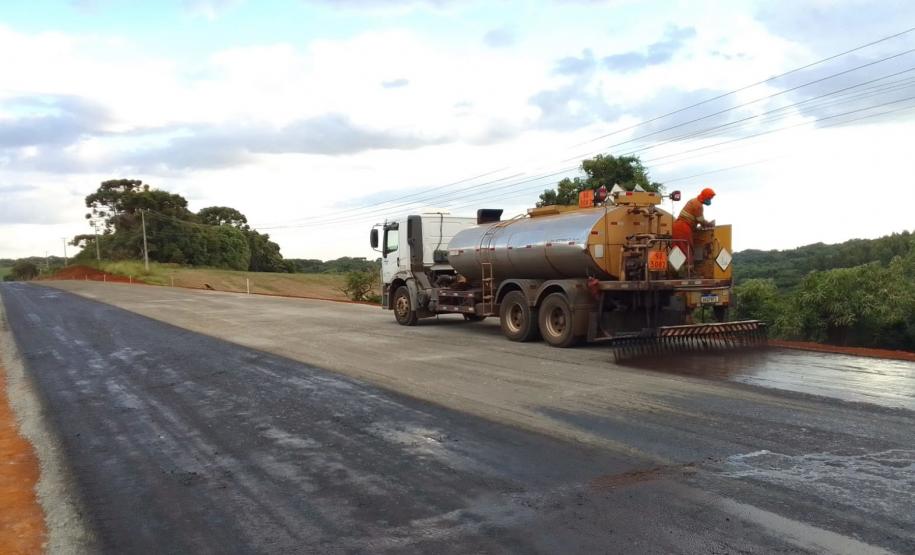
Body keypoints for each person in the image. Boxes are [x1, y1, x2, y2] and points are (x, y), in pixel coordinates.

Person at [672, 187, 716, 265]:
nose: (710, 200)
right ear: (705, 196)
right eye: (710, 198)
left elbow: (694, 218)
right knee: (686, 249)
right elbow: (701, 220)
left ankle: (676, 270)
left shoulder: (693, 201)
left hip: (678, 226)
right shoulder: (698, 205)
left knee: (677, 250)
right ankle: (688, 270)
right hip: (683, 227)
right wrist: (710, 224)